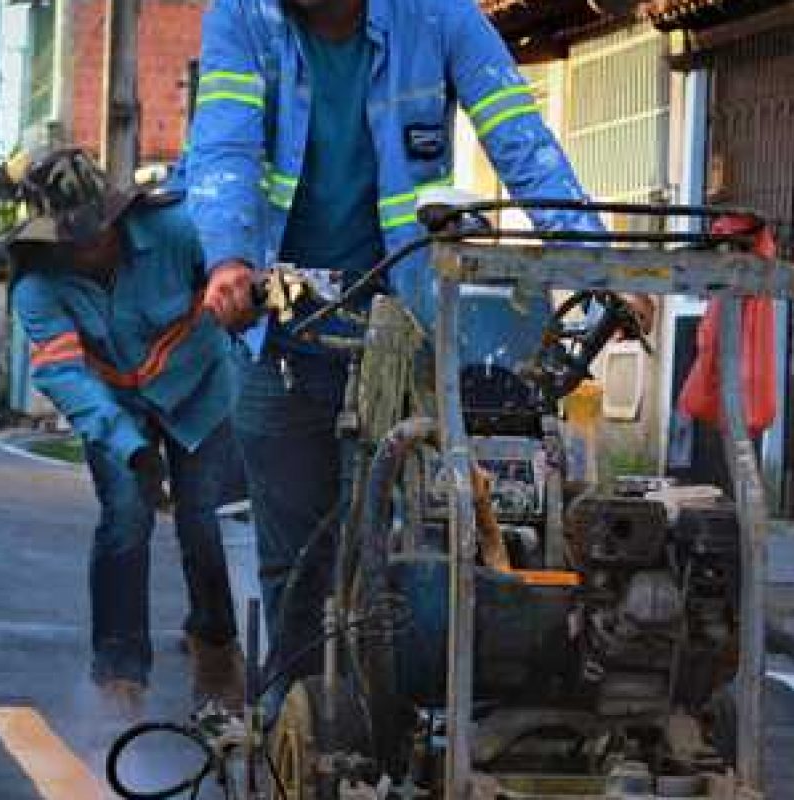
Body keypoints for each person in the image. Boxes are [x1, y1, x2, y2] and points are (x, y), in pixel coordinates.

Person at [186, 0, 607, 679]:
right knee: (294, 561)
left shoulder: (441, 17)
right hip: (281, 328)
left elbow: (520, 140)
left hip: (401, 325)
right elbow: (224, 146)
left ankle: (385, 722)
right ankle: (293, 733)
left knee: (392, 546)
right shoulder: (242, 16)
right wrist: (230, 260)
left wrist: (595, 260)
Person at [8, 148, 242, 718]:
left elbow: (229, 286)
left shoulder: (177, 229)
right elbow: (64, 375)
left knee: (205, 524)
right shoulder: (37, 289)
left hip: (202, 393)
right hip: (114, 411)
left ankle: (215, 646)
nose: (91, 249)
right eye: (74, 241)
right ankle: (119, 677)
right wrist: (131, 451)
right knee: (125, 522)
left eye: (98, 233)